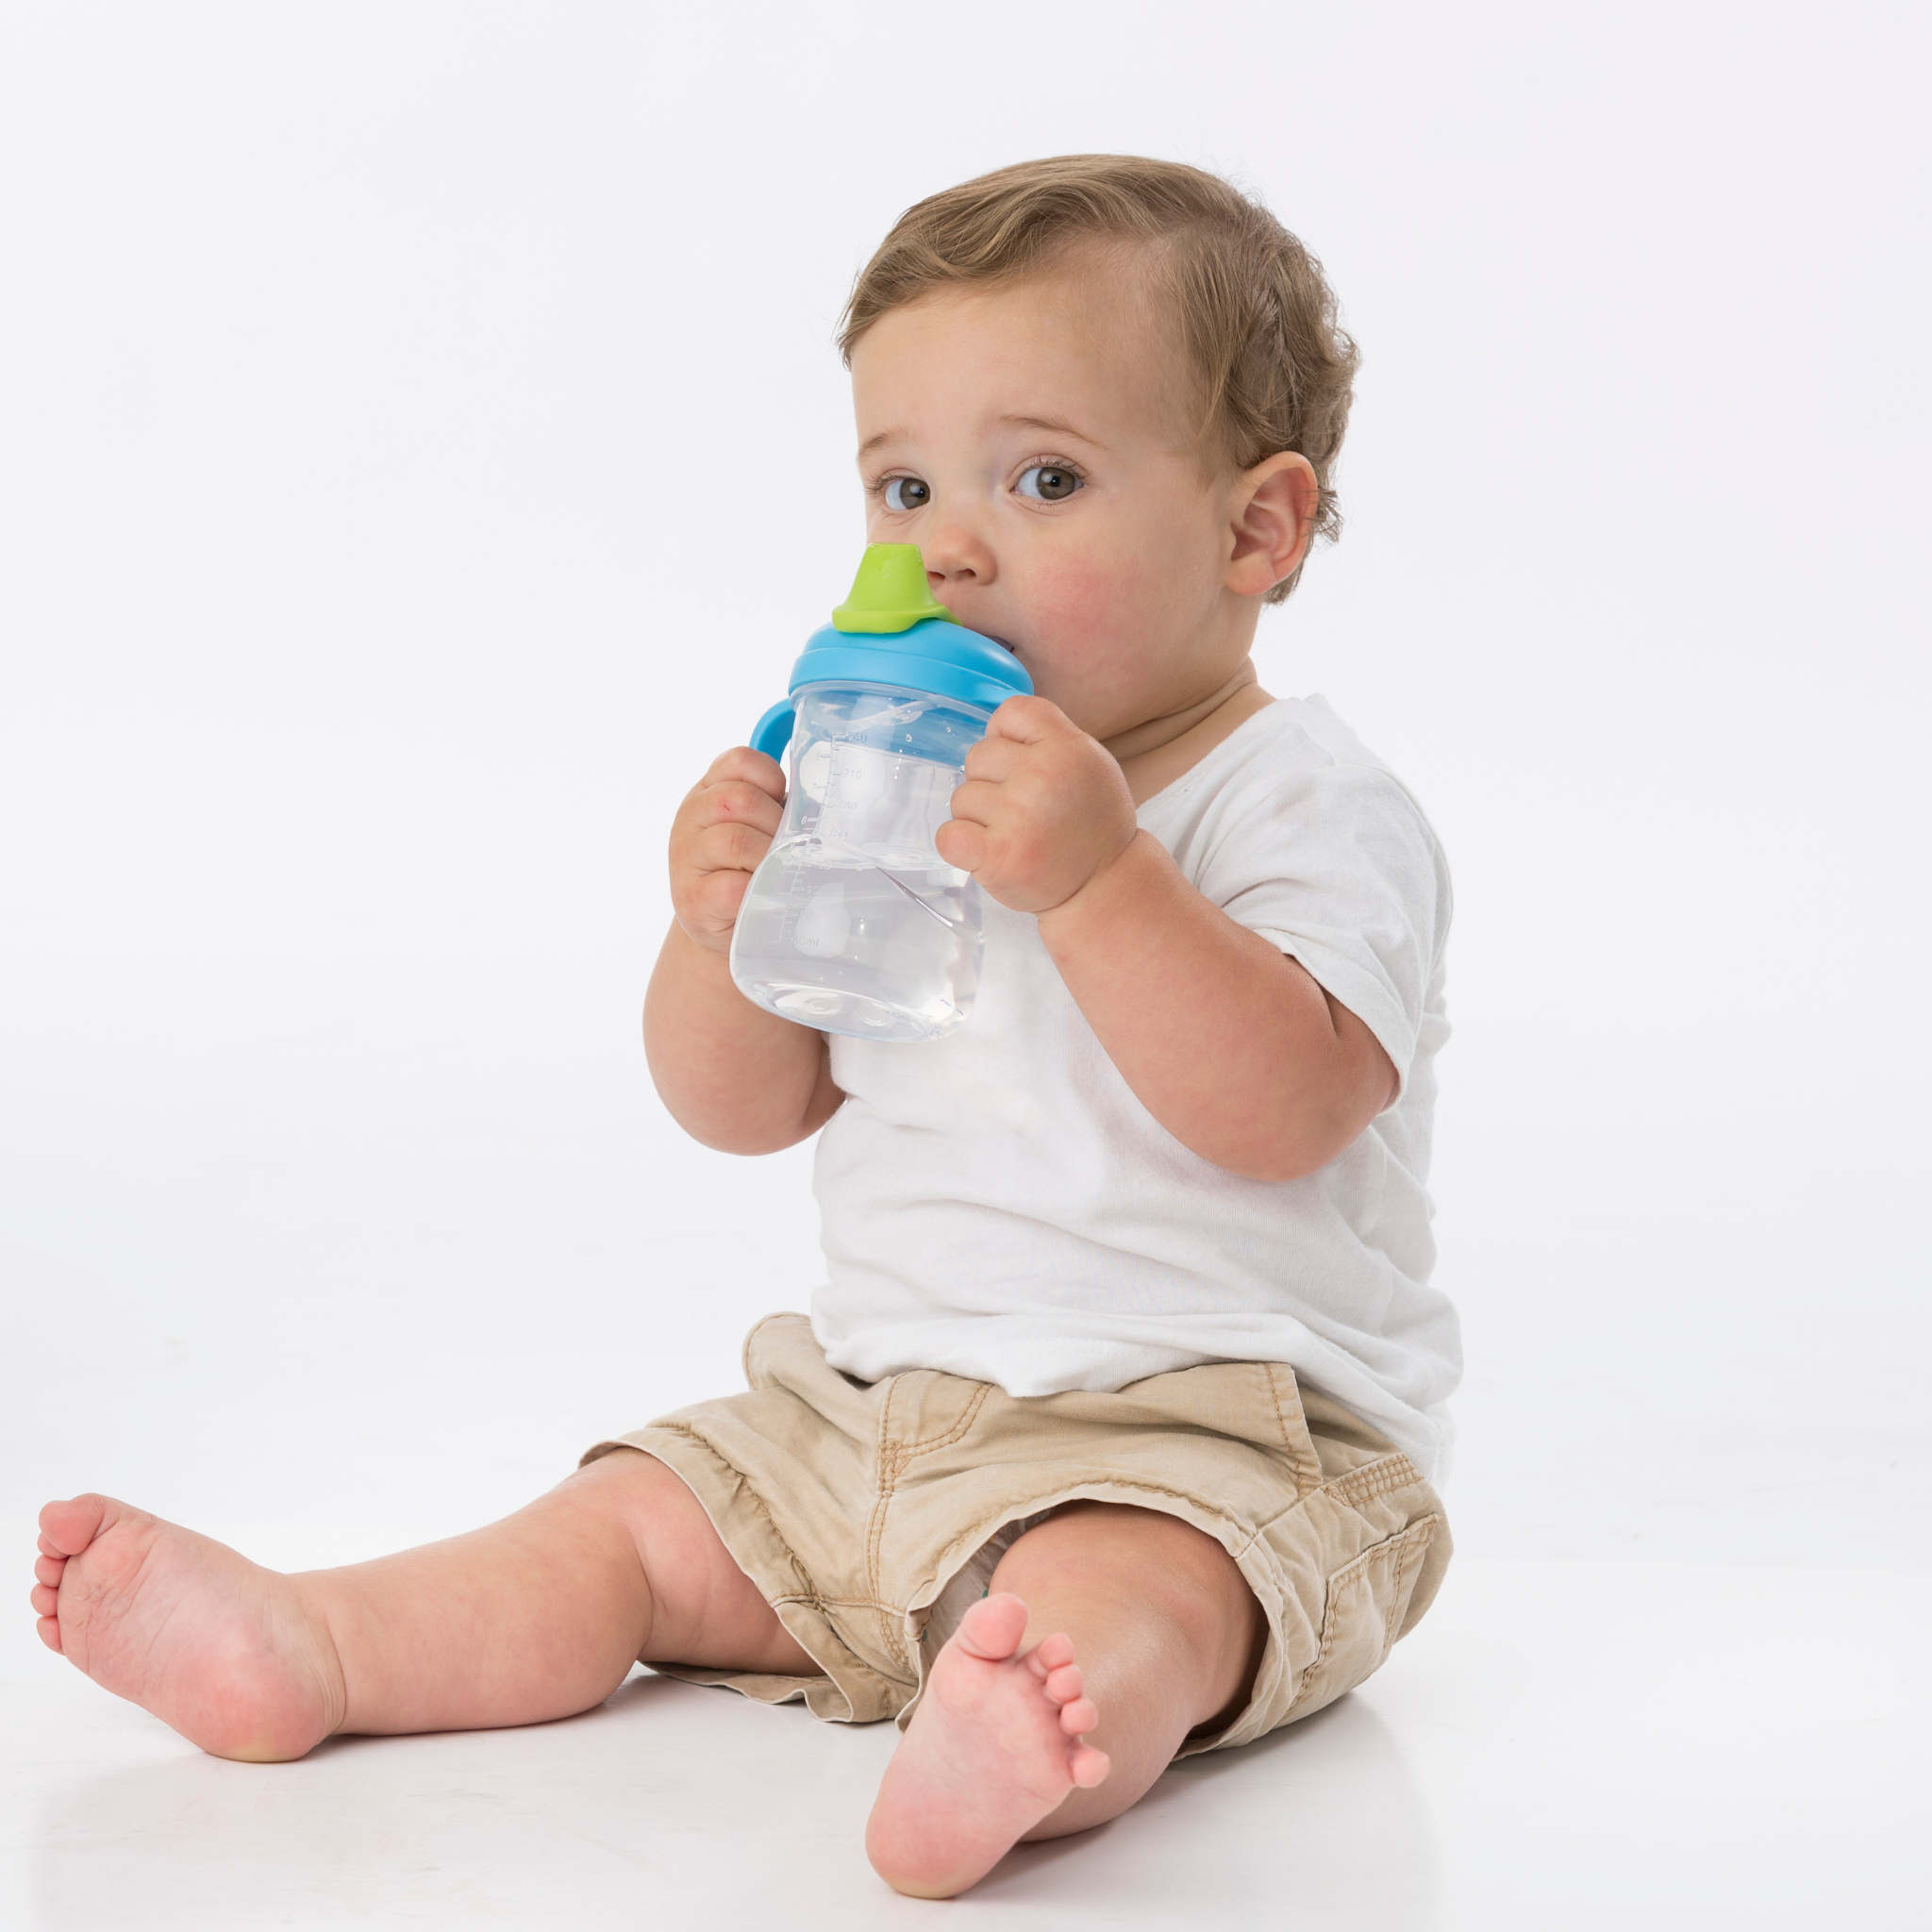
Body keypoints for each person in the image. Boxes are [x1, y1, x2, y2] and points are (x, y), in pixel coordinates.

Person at [30, 155, 1460, 1900]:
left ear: (1257, 528)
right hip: (865, 1422)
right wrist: (720, 932)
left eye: (1045, 477)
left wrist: (1101, 884)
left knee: (1129, 1595)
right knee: (631, 1522)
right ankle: (319, 1644)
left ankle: (1022, 1741)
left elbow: (1287, 1108)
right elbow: (744, 1105)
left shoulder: (1303, 802)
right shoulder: (887, 789)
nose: (948, 543)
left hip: (1209, 1442)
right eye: (902, 484)